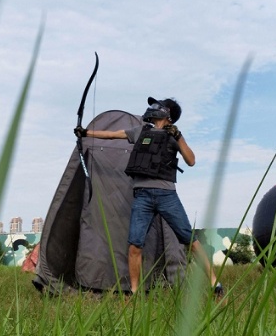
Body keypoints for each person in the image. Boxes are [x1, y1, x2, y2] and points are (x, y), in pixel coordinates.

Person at [74, 97, 224, 299]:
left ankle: (216, 284)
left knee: (189, 240)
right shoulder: (141, 131)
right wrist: (85, 133)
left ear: (168, 114)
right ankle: (135, 294)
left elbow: (191, 160)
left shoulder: (174, 136)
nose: (152, 108)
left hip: (166, 196)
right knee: (135, 244)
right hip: (142, 197)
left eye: (158, 105)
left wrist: (178, 137)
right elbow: (112, 135)